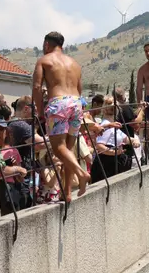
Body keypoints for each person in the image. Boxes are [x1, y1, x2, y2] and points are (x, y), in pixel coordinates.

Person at [32, 31, 90, 201]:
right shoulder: (75, 63)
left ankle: (81, 174)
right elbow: (79, 89)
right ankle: (67, 192)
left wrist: (40, 110)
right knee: (68, 151)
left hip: (58, 103)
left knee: (58, 148)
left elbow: (37, 87)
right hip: (76, 103)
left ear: (46, 44)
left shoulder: (44, 60)